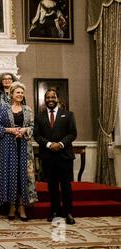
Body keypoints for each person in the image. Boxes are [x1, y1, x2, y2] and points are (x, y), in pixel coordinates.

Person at [0, 82, 38, 221]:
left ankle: (22, 207)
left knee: (22, 177)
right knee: (11, 176)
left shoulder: (28, 109)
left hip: (24, 147)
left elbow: (32, 126)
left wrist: (25, 130)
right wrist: (10, 130)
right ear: (11, 94)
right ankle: (12, 206)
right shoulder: (3, 109)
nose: (20, 95)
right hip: (8, 147)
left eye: (21, 93)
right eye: (17, 92)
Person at [34, 88, 77, 225]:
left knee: (66, 186)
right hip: (48, 156)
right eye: (48, 97)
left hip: (64, 155)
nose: (50, 100)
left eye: (53, 97)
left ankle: (68, 212)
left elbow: (72, 134)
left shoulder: (68, 115)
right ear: (45, 100)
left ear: (58, 99)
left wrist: (60, 144)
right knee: (52, 186)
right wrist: (48, 145)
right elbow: (37, 135)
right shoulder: (39, 116)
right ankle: (54, 211)